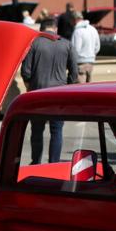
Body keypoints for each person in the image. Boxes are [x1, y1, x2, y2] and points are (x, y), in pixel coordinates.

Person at [20, 33, 77, 164]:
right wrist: (67, 85)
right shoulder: (66, 43)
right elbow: (74, 72)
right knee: (57, 131)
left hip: (38, 93)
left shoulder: (34, 43)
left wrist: (30, 87)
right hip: (59, 93)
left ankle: (35, 162)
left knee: (37, 131)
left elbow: (26, 71)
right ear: (55, 28)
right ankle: (53, 163)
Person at [69, 10, 100, 83]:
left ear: (75, 19)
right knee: (89, 89)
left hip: (80, 63)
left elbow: (75, 49)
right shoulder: (93, 29)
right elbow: (97, 46)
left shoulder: (77, 31)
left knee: (80, 88)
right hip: (91, 62)